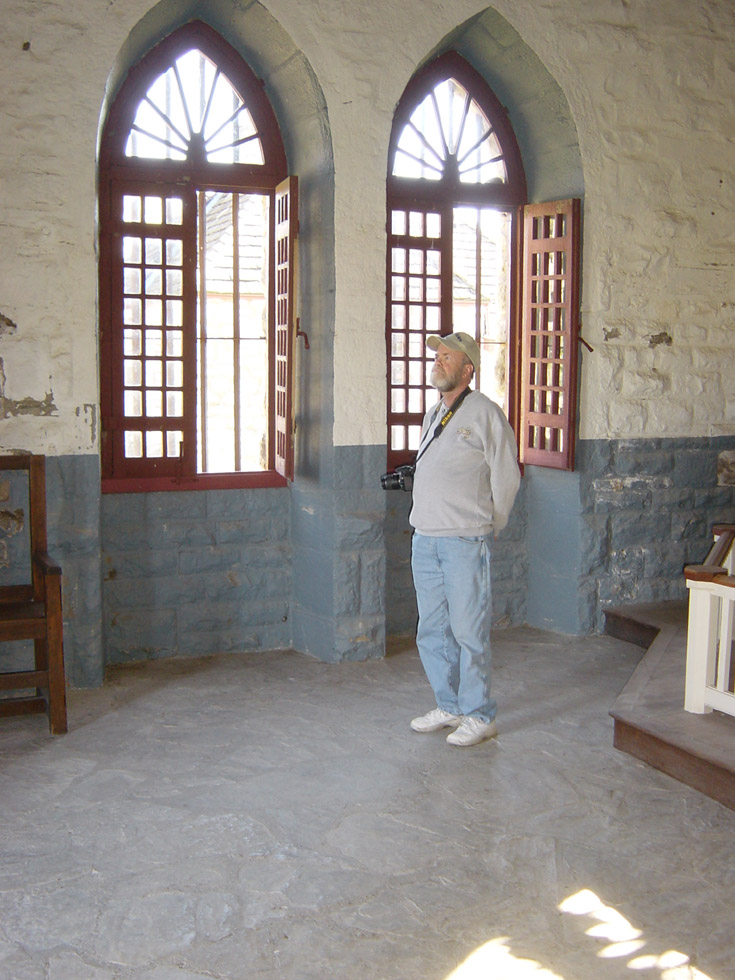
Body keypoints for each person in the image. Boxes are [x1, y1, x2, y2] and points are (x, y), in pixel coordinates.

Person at [408, 331, 521, 747]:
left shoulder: (485, 413)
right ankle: (449, 704)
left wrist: (491, 523)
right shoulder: (434, 413)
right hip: (426, 539)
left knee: (468, 632)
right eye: (436, 356)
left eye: (447, 357)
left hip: (464, 542)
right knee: (432, 631)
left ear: (468, 368)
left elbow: (507, 475)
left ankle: (479, 714)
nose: (438, 361)